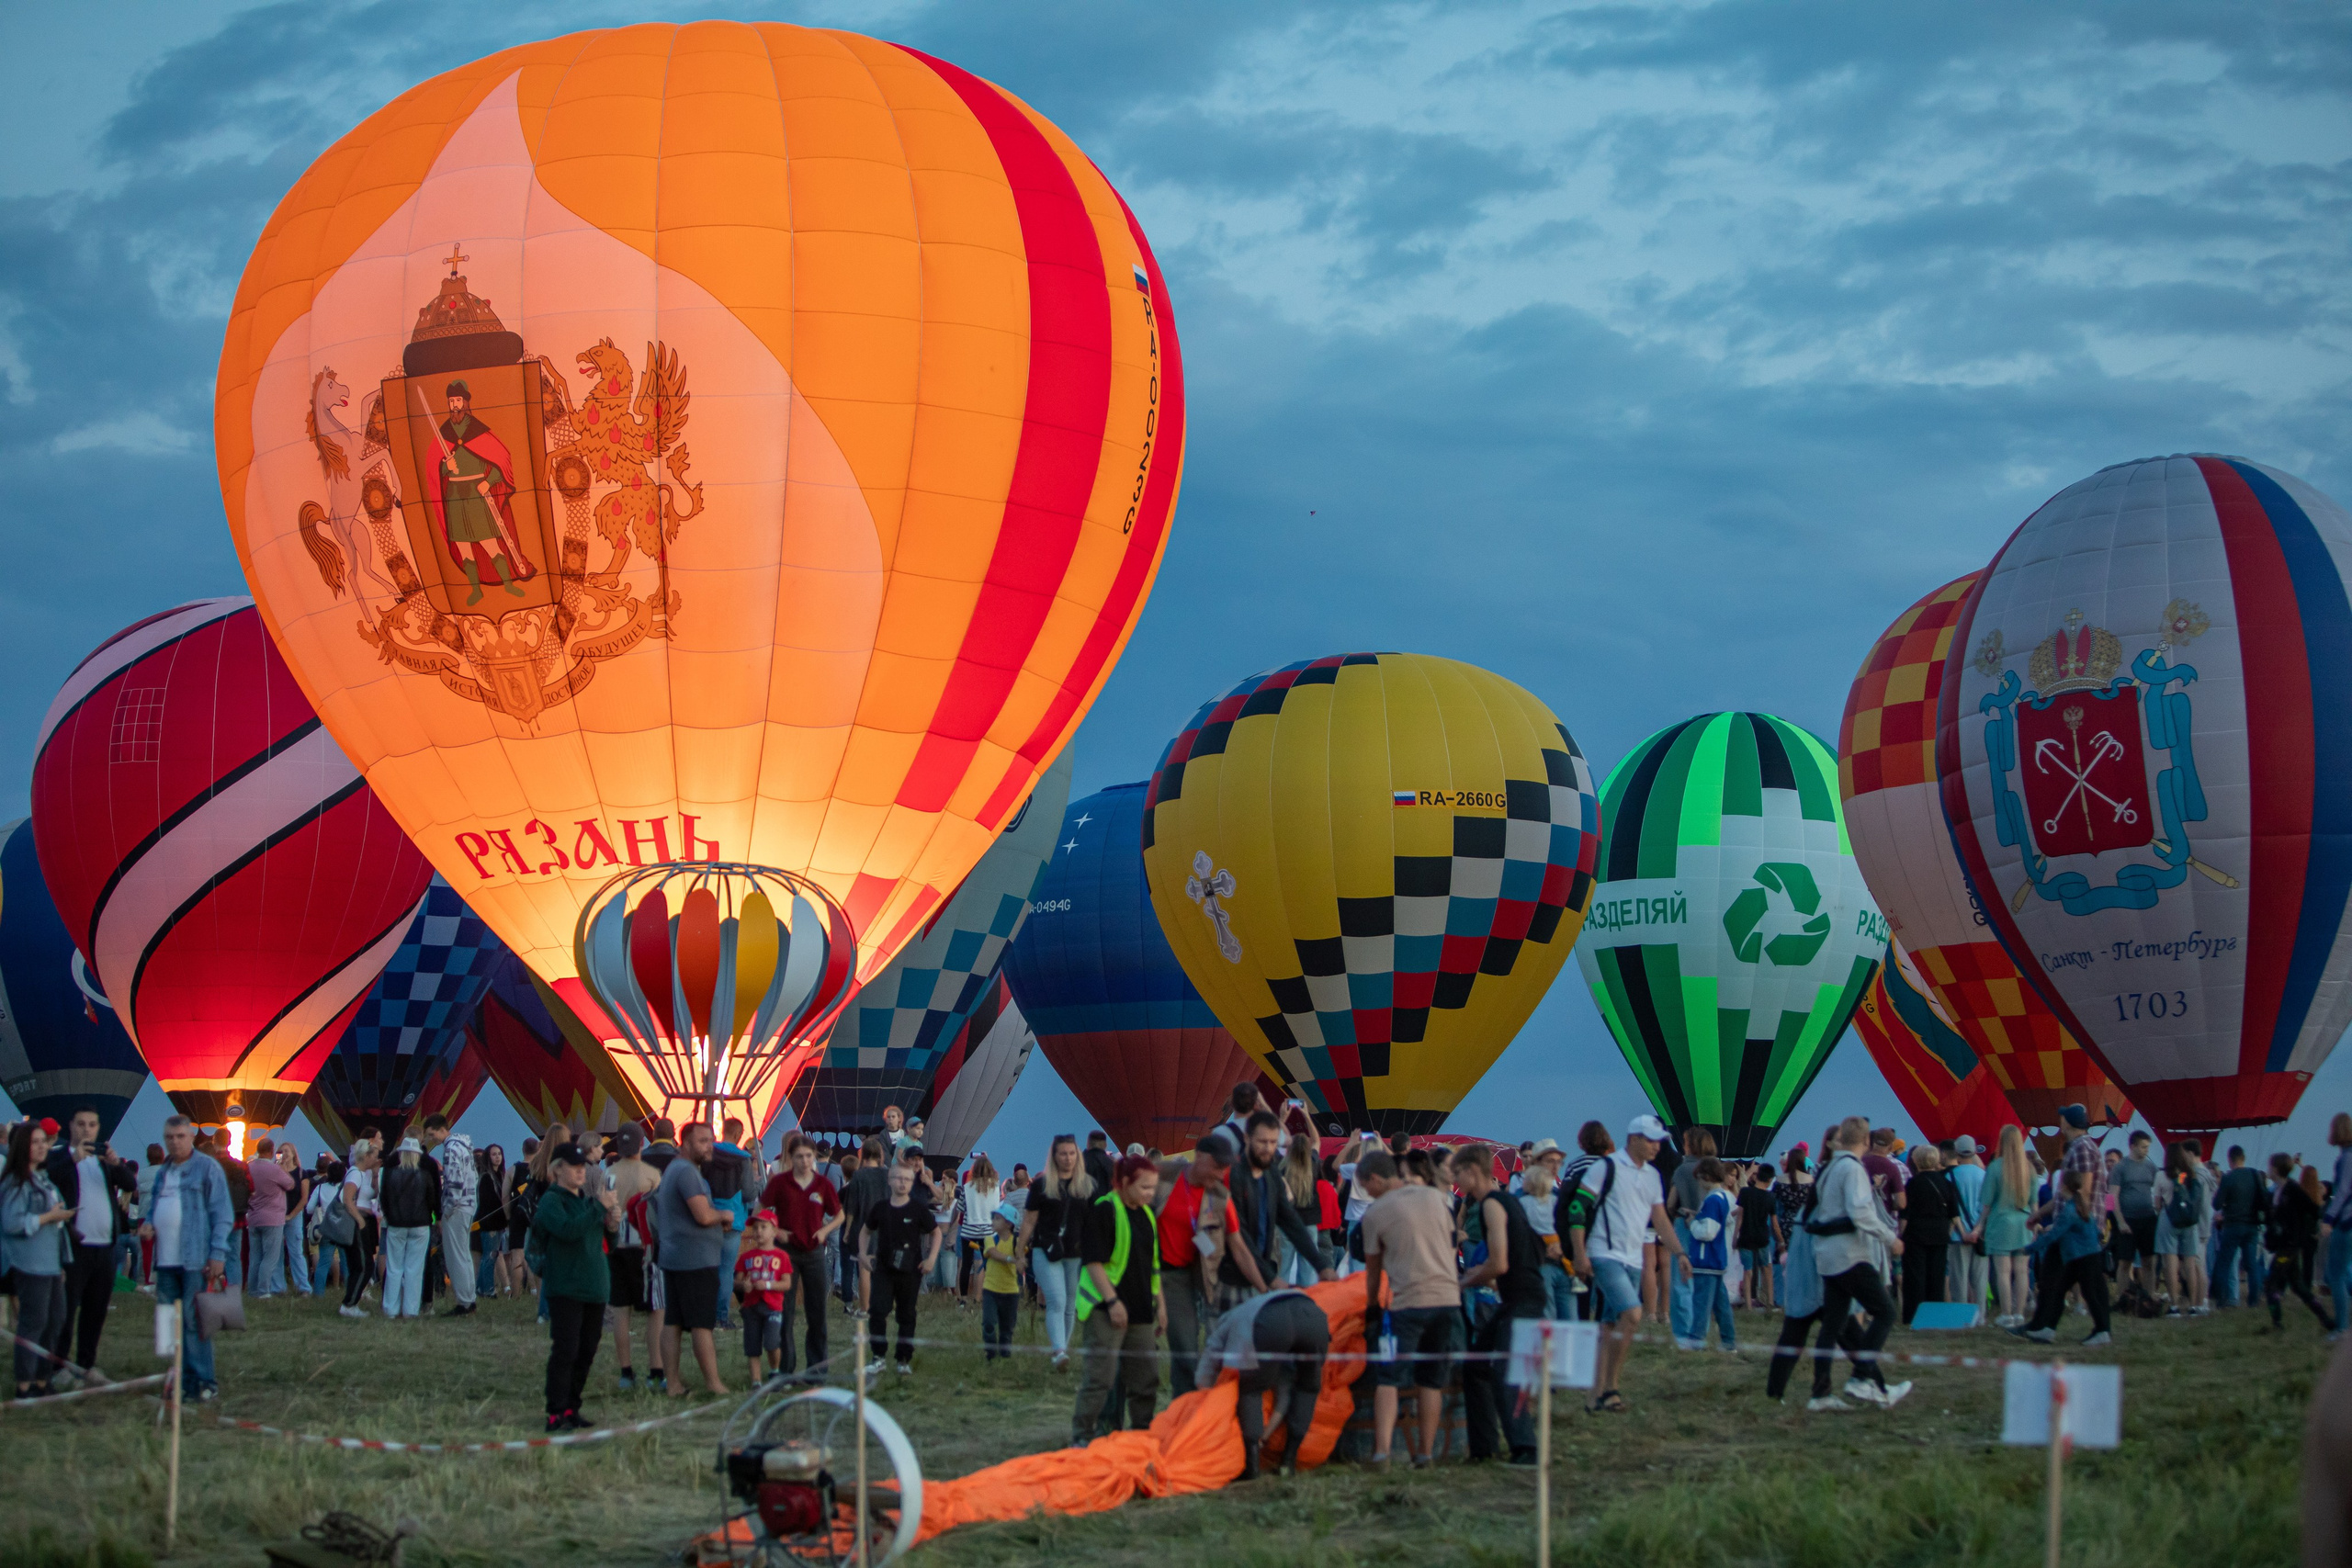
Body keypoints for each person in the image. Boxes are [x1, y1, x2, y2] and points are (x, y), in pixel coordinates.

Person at [1566, 1115, 1686, 1414]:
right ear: (1632, 1138)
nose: (1656, 1146)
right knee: (1632, 1313)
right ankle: (1612, 1388)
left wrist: (1680, 1253)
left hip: (1634, 1258)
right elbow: (1578, 1208)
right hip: (1604, 1253)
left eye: (1659, 1140)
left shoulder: (1652, 1176)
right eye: (1650, 1139)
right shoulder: (1604, 1167)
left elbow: (1660, 1218)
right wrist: (1580, 1253)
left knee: (1609, 1326)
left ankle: (1598, 1393)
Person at [1356, 1148, 1458, 1464]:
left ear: (1375, 1179)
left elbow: (1373, 1271)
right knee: (1431, 1380)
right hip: (1447, 1301)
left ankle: (1382, 1452)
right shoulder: (1437, 1198)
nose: (1366, 1193)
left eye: (1365, 1186)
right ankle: (1425, 1454)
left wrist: (1373, 1306)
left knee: (1388, 1377)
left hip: (1408, 1305)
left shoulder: (1374, 1214)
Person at [1803, 1117, 1911, 1409]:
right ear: (1865, 1141)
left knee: (1835, 1326)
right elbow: (1860, 1212)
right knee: (1886, 1312)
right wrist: (1891, 1239)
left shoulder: (1826, 1169)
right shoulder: (1852, 1169)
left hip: (1826, 1255)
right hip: (1850, 1255)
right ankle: (1861, 1379)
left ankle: (1822, 1393)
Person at [1453, 1143, 1544, 1464]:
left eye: (1458, 1172)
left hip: (1522, 1299)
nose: (1455, 1179)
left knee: (1505, 1372)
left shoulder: (1491, 1204)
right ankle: (1483, 1448)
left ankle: (1525, 1449)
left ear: (1472, 1171)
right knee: (1476, 1366)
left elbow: (1500, 1264)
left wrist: (1464, 1281)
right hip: (1518, 1297)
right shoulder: (1507, 1200)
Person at [1072, 1153, 1163, 1443]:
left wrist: (1160, 1305)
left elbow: (1153, 1265)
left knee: (1146, 1378)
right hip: (1104, 1309)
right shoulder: (1105, 1209)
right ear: (1125, 1182)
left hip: (1140, 1311)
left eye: (1153, 1188)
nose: (1150, 1194)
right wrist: (1112, 1302)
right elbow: (1093, 1262)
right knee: (1101, 1378)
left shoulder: (1147, 1215)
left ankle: (1141, 1435)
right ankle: (1084, 1435)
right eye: (1145, 1188)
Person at [141, 1115, 233, 1402]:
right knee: (168, 1322)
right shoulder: (163, 1171)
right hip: (165, 1261)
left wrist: (217, 1253)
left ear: (191, 1137)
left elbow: (222, 1214)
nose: (175, 1142)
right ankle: (178, 1378)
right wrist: (148, 1223)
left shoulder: (207, 1168)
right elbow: (156, 1205)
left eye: (180, 1136)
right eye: (170, 1137)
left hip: (195, 1259)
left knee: (194, 1322)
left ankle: (203, 1382)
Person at [532, 1142, 619, 1431]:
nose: (582, 1171)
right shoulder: (552, 1202)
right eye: (575, 1166)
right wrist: (599, 1209)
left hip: (594, 1286)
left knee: (587, 1350)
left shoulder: (586, 1201)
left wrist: (612, 1225)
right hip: (566, 1287)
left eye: (583, 1166)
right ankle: (555, 1411)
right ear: (558, 1169)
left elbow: (605, 1244)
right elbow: (568, 1231)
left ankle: (572, 1406)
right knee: (566, 1350)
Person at [1196, 1287, 1328, 1480]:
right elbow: (1284, 1395)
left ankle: (1252, 1468)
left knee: (1251, 1390)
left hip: (1271, 1323)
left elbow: (1210, 1356)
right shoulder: (1255, 1307)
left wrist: (1204, 1393)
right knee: (1308, 1387)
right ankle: (1288, 1462)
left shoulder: (1230, 1321)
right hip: (1313, 1317)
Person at [1219, 1111, 1333, 1307]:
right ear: (1247, 1138)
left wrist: (1321, 1265)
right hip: (1233, 1274)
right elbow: (1240, 1234)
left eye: (1273, 1142)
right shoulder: (1233, 1176)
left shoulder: (1271, 1173)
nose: (1268, 1148)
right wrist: (1270, 1279)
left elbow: (1289, 1219)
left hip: (1261, 1269)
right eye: (1262, 1142)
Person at [655, 1122, 733, 1396]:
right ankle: (713, 1384)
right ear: (684, 1142)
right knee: (701, 1323)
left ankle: (673, 1384)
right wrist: (724, 1216)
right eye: (702, 1141)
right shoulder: (687, 1173)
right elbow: (702, 1215)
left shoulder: (676, 1170)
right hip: (694, 1260)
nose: (709, 1146)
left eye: (710, 1140)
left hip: (677, 1256)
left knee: (674, 1322)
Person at [758, 1133, 843, 1381]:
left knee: (816, 1311)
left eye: (809, 1156)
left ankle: (817, 1370)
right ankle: (784, 1368)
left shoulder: (822, 1184)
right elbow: (759, 1211)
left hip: (814, 1251)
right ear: (790, 1158)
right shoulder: (780, 1182)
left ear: (814, 1157)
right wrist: (775, 1230)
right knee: (784, 1311)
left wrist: (825, 1230)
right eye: (799, 1157)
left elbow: (839, 1215)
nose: (805, 1161)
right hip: (786, 1253)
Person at [57, 1109, 134, 1381]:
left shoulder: (103, 1162)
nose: (86, 1130)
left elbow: (130, 1184)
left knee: (96, 1309)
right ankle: (59, 1366)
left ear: (99, 1128)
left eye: (92, 1125)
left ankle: (86, 1364)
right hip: (74, 1247)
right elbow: (51, 1176)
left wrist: (116, 1163)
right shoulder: (61, 1156)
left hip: (104, 1248)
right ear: (71, 1126)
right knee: (65, 1309)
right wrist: (74, 1160)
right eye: (81, 1124)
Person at [2, 1121, 76, 1397]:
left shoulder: (44, 1180)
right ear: (22, 1146)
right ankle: (24, 1385)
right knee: (33, 1323)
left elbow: (55, 1226)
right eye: (35, 1142)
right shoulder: (15, 1182)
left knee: (55, 1320)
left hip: (51, 1263)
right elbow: (12, 1223)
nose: (42, 1146)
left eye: (44, 1141)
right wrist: (49, 1217)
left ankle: (44, 1380)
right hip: (29, 1262)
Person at [1158, 1132, 1230, 1393]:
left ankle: (1183, 1411)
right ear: (1199, 1156)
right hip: (1151, 1272)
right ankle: (1114, 1421)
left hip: (1187, 1275)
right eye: (1217, 1167)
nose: (1221, 1175)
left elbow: (1235, 1241)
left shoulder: (1219, 1195)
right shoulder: (1163, 1174)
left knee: (1187, 1347)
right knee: (1137, 1351)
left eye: (1225, 1169)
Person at [1019, 1134, 1095, 1371]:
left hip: (1075, 1251)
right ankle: (1059, 1351)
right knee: (1056, 1300)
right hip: (1046, 1248)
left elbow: (1092, 1222)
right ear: (1054, 1156)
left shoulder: (1087, 1185)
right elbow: (1030, 1221)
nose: (1068, 1158)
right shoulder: (1042, 1185)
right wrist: (1020, 1251)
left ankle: (1062, 1348)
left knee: (1070, 1303)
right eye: (1063, 1153)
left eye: (1072, 1153)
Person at [860, 1158, 940, 1376]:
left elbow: (936, 1232)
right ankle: (878, 1357)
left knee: (906, 1315)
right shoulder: (880, 1208)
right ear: (890, 1180)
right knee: (877, 1311)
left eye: (907, 1179)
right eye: (898, 1178)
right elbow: (866, 1230)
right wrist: (862, 1254)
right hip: (884, 1269)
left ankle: (903, 1359)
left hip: (910, 1270)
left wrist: (931, 1258)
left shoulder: (918, 1209)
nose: (902, 1183)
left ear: (913, 1182)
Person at [2015, 1168, 2113, 1346]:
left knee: (2091, 1294)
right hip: (2080, 1258)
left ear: (2063, 1186)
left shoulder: (2069, 1210)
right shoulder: (2079, 1204)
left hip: (2084, 1258)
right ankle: (2048, 1330)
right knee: (2060, 1290)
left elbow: (2054, 1235)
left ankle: (2102, 1331)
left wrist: (2027, 1250)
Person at [604, 1125, 662, 1390]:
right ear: (642, 1144)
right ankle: (656, 1370)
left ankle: (626, 1372)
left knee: (620, 1311)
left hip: (617, 1246)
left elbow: (604, 1212)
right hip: (644, 1248)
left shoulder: (609, 1174)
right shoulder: (651, 1174)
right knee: (655, 1310)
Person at [2264, 1153, 2336, 1334]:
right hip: (2283, 1245)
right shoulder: (2277, 1191)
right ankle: (2326, 1320)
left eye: (2270, 1166)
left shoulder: (2292, 1189)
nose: (2268, 1170)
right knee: (2299, 1287)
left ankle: (2277, 1324)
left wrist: (2303, 1232)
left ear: (2276, 1169)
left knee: (2271, 1283)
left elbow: (2312, 1209)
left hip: (2289, 1247)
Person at [416, 1112, 478, 1318]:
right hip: (468, 1205)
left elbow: (454, 1183)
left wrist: (447, 1210)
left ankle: (464, 1303)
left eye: (432, 1134)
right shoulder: (464, 1147)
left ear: (442, 1129)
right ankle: (469, 1298)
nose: (432, 1139)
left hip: (457, 1208)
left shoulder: (450, 1149)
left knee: (455, 1257)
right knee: (465, 1255)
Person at [1665, 1126, 1718, 1346]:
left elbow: (1670, 1203)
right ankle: (1700, 1332)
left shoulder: (1682, 1170)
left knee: (1681, 1282)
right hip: (1710, 1228)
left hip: (1684, 1227)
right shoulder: (1715, 1169)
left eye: (1685, 1142)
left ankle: (1683, 1335)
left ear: (1692, 1145)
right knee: (1702, 1283)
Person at [379, 1136, 439, 1319]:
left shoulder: (390, 1174)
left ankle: (390, 1309)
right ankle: (411, 1310)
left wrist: (390, 1217)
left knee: (394, 1267)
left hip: (396, 1224)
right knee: (415, 1269)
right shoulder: (425, 1175)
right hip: (420, 1225)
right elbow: (432, 1200)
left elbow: (384, 1199)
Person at [732, 1210, 793, 1387]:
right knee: (752, 1346)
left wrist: (767, 1285)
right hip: (751, 1307)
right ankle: (756, 1381)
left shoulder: (782, 1256)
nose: (758, 1231)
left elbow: (787, 1283)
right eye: (755, 1227)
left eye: (763, 1227)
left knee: (772, 1342)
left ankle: (775, 1371)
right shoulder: (746, 1257)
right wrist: (744, 1286)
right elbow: (736, 1281)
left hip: (773, 1306)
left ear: (774, 1231)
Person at [1899, 1145, 1958, 1325]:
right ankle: (1934, 1316)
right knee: (1936, 1276)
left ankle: (1913, 1315)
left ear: (1916, 1161)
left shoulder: (1913, 1183)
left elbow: (1905, 1214)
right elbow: (1953, 1213)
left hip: (1916, 1233)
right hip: (1940, 1232)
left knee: (1915, 1277)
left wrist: (1900, 1235)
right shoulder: (1946, 1182)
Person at [1683, 1156, 1736, 1350]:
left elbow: (1707, 1232)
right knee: (1721, 1306)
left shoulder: (1712, 1200)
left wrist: (1692, 1223)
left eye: (1699, 1178)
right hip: (1716, 1260)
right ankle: (1729, 1342)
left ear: (1706, 1176)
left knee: (1701, 1304)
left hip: (1706, 1262)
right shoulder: (1722, 1197)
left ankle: (1695, 1340)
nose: (1698, 1182)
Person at [708, 1118, 756, 1331]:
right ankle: (722, 1317)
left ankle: (704, 1315)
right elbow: (748, 1193)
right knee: (726, 1271)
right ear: (739, 1134)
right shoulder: (744, 1160)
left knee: (706, 1269)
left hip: (707, 1217)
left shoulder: (708, 1153)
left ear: (722, 1130)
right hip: (734, 1218)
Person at [2213, 1144, 2272, 1310]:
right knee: (2251, 1264)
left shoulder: (2228, 1178)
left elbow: (2216, 1204)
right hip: (2252, 1225)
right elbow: (2264, 1199)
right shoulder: (2255, 1175)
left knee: (2224, 1262)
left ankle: (2222, 1300)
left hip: (2232, 1225)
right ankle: (2254, 1300)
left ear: (2229, 1160)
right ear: (2244, 1158)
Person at [2156, 1140, 2211, 1314]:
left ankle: (2174, 1305)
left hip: (2169, 1219)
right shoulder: (2191, 1174)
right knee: (2190, 1263)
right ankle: (2194, 1305)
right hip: (2189, 1222)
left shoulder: (2162, 1175)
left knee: (2170, 1264)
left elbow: (2157, 1204)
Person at [838, 1137, 889, 1314]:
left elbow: (851, 1207)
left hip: (862, 1226)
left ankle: (865, 1308)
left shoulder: (859, 1175)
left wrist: (847, 1230)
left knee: (864, 1269)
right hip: (883, 1225)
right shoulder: (887, 1174)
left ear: (863, 1153)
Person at [1519, 1162, 1576, 1319]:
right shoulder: (1557, 1201)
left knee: (1547, 1308)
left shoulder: (1523, 1203)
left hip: (1539, 1259)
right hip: (1563, 1258)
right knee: (1569, 1310)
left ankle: (1548, 1341)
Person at [2111, 1129, 2160, 1301]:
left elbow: (2164, 1182)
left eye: (2148, 1147)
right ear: (2133, 1146)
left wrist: (2183, 1176)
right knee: (2125, 1262)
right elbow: (2111, 1197)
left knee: (2149, 1261)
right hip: (2128, 1220)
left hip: (2148, 1218)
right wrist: (2119, 1221)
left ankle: (2149, 1295)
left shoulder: (2150, 1166)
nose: (2147, 1151)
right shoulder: (2120, 1168)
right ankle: (2122, 1297)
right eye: (2143, 1147)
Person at [336, 1142, 382, 1318]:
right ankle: (349, 1304)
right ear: (366, 1156)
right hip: (355, 1224)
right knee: (364, 1265)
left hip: (356, 1222)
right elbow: (347, 1199)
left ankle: (350, 1302)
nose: (376, 1159)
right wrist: (360, 1220)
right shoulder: (355, 1174)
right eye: (373, 1155)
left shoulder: (360, 1174)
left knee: (359, 1265)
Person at [1944, 1134, 1987, 1315]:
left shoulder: (1949, 1176)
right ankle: (1980, 1315)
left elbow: (1949, 1208)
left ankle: (1960, 1315)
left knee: (1959, 1278)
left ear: (1956, 1152)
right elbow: (1987, 1206)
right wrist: (1978, 1229)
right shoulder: (1984, 1175)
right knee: (1980, 1279)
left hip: (1957, 1234)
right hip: (1980, 1234)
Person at [980, 1201, 1023, 1360]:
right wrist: (1011, 1259)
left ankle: (1005, 1355)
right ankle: (990, 1352)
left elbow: (1021, 1261)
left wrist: (1021, 1262)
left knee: (1007, 1327)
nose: (993, 1221)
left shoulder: (1017, 1243)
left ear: (1008, 1223)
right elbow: (992, 1253)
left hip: (1010, 1292)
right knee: (989, 1323)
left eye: (997, 1218)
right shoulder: (991, 1239)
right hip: (991, 1289)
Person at [957, 1155, 1002, 1306]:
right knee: (988, 1265)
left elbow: (961, 1208)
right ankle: (988, 1297)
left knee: (966, 1265)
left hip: (969, 1232)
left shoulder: (967, 1187)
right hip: (988, 1232)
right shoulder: (995, 1187)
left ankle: (963, 1299)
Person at [2325, 1111, 2352, 1339]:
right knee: (2344, 1272)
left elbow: (2343, 1191)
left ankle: (2342, 1327)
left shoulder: (2347, 1158)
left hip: (2346, 1222)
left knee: (2335, 1274)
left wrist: (2328, 1219)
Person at [1736, 1162, 1776, 1311]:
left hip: (1746, 1236)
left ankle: (1748, 1304)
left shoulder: (1745, 1192)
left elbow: (1739, 1217)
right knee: (1766, 1269)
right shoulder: (1770, 1197)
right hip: (1763, 1237)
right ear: (1770, 1180)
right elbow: (1774, 1222)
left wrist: (1735, 1237)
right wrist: (1780, 1240)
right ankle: (1770, 1302)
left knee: (1748, 1271)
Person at [474, 1145, 509, 1298]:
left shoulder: (500, 1175)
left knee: (490, 1255)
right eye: (494, 1154)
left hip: (498, 1222)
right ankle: (487, 1289)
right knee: (490, 1256)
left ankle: (482, 1288)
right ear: (488, 1157)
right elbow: (489, 1202)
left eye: (499, 1154)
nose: (497, 1157)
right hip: (490, 1222)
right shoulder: (487, 1177)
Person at [1081, 1131, 1117, 1196]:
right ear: (1105, 1145)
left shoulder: (1078, 1161)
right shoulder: (1113, 1163)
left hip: (1082, 1203)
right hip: (1106, 1203)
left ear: (1088, 1144)